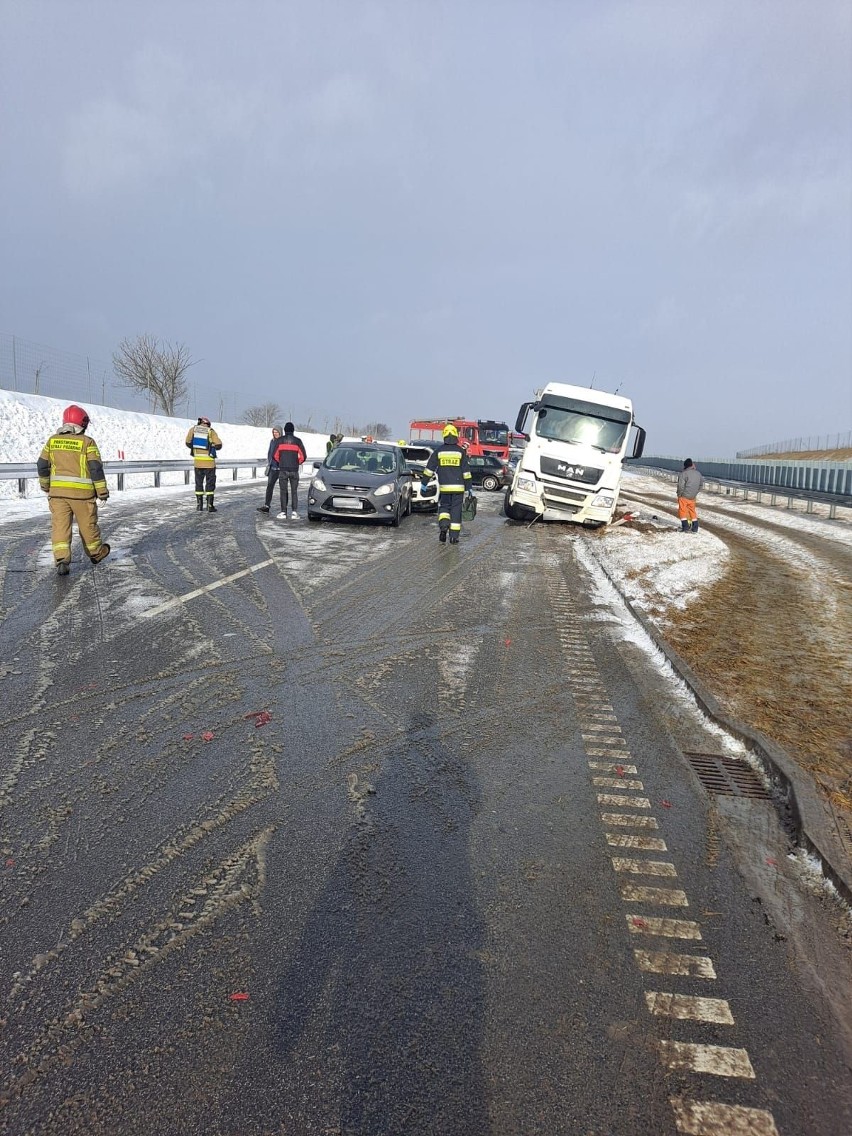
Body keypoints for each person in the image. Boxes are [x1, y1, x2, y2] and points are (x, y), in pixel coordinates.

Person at [37, 403, 110, 574]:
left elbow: (42, 465)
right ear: (82, 424)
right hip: (82, 496)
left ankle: (62, 560)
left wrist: (45, 485)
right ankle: (96, 553)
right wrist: (102, 492)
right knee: (88, 526)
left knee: (60, 527)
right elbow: (95, 469)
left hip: (58, 496)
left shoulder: (52, 441)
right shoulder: (87, 442)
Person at [420, 423, 473, 544]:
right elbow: (466, 472)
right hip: (458, 488)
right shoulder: (461, 452)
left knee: (444, 508)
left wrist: (424, 483)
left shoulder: (439, 451)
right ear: (456, 436)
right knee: (456, 511)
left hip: (444, 488)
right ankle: (454, 537)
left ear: (444, 436)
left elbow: (429, 469)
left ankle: (444, 527)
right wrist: (469, 487)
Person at [185, 416, 223, 512]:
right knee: (210, 484)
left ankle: (199, 505)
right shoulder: (210, 431)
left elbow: (188, 443)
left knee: (199, 483)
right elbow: (219, 444)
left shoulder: (193, 430)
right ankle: (210, 505)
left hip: (198, 463)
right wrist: (212, 445)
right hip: (209, 463)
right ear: (207, 423)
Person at [273, 421, 307, 520]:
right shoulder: (298, 441)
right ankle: (294, 512)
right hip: (294, 470)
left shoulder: (279, 441)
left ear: (284, 430)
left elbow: (275, 455)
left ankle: (283, 512)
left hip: (283, 469)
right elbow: (303, 456)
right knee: (294, 491)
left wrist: (281, 462)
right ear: (293, 430)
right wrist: (298, 462)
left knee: (283, 491)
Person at [257, 426, 282, 513]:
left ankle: (284, 508)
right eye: (274, 432)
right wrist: (269, 462)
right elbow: (270, 453)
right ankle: (267, 505)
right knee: (269, 487)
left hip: (281, 469)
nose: (275, 434)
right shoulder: (272, 441)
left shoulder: (282, 441)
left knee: (283, 488)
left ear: (280, 432)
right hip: (272, 468)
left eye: (277, 432)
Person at [676, 457, 704, 532]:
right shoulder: (698, 473)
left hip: (684, 496)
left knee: (682, 511)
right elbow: (701, 485)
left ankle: (685, 527)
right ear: (691, 464)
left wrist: (679, 494)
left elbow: (680, 486)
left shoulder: (683, 474)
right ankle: (695, 528)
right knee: (692, 511)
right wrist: (695, 492)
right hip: (693, 497)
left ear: (685, 466)